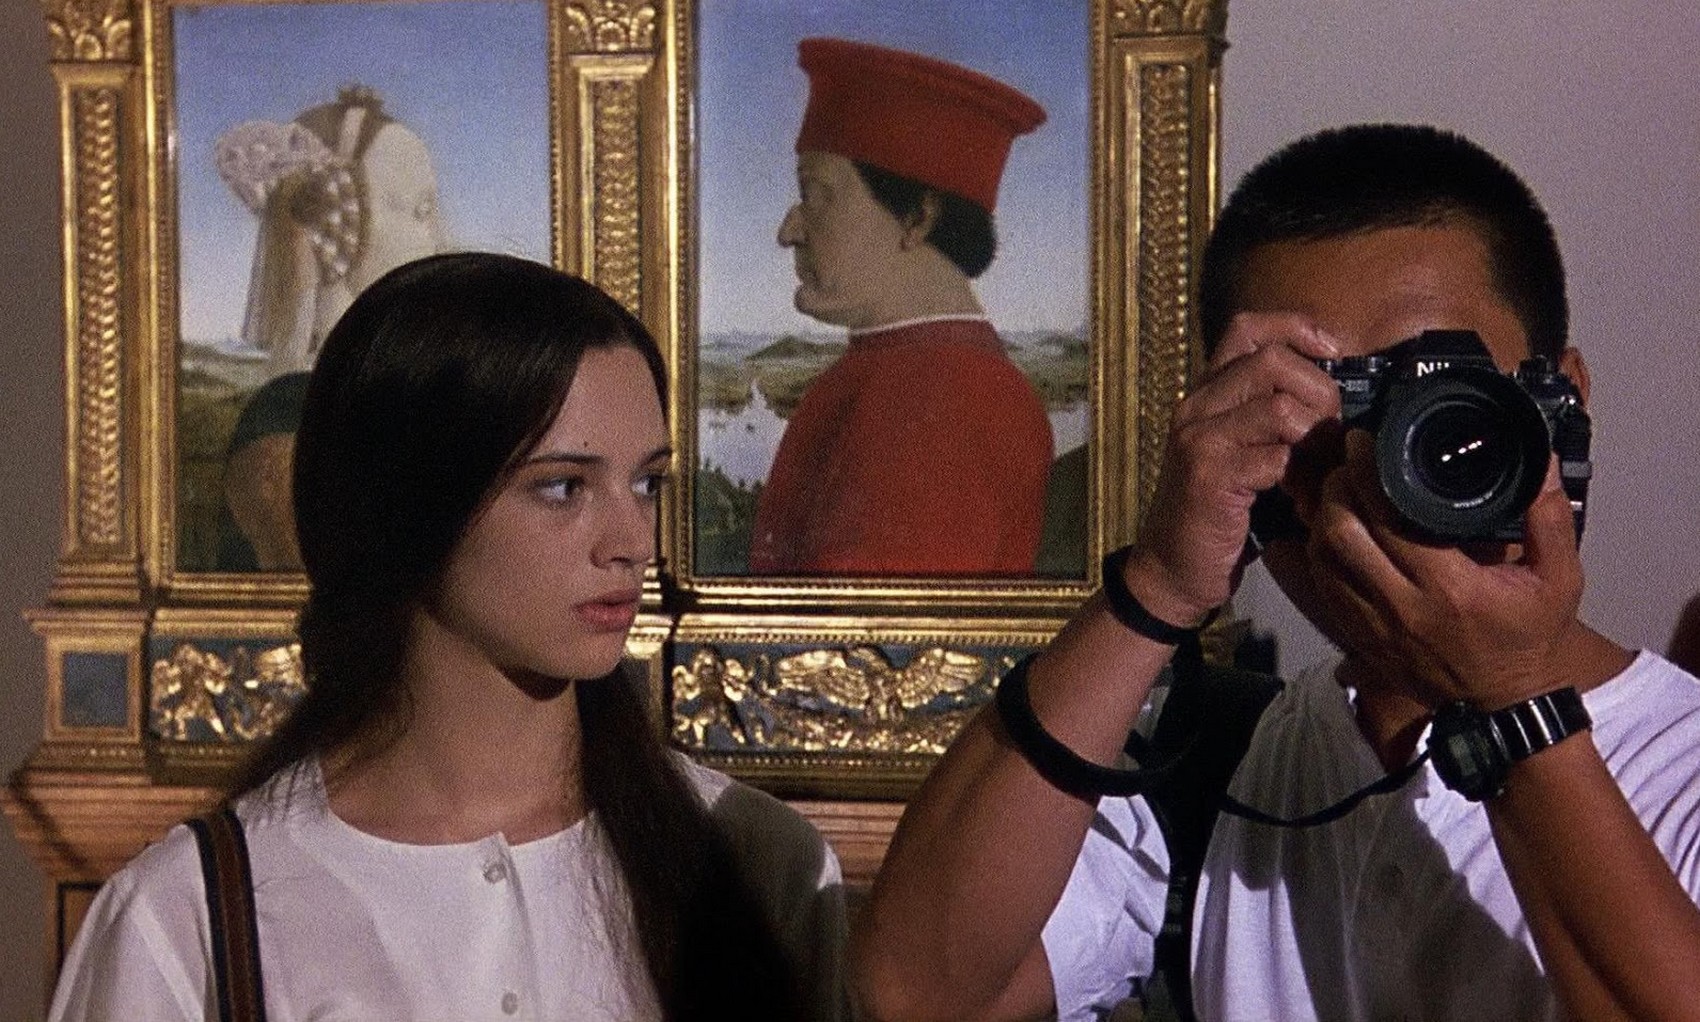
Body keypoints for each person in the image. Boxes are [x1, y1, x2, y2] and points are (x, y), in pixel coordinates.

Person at [853, 124, 1700, 1021]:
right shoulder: (1221, 764)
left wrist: (1512, 701)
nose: (1380, 471)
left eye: (1442, 407)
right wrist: (1157, 587)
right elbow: (915, 996)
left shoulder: (1681, 768)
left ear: (1564, 404)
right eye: (1319, 409)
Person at [51, 253, 849, 1021]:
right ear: (409, 509)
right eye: (563, 487)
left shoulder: (753, 864)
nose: (632, 542)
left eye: (646, 482)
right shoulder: (192, 917)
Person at [748, 38, 1056, 576]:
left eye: (816, 194)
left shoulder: (945, 399)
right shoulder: (905, 372)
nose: (788, 230)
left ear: (917, 219)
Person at [213, 84, 449, 570]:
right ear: (337, 219)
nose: (438, 239)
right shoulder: (285, 416)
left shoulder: (403, 387)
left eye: (430, 210)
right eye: (416, 211)